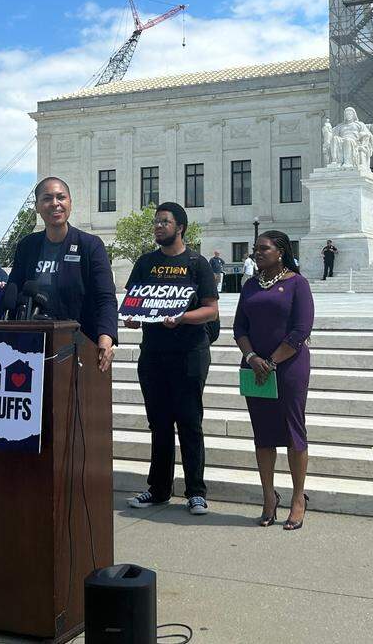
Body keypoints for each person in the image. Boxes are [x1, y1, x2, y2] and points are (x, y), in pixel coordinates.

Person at [125, 202, 219, 515]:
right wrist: (133, 317)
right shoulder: (145, 263)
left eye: (164, 222)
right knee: (159, 424)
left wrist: (182, 316)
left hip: (190, 354)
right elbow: (133, 304)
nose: (157, 227)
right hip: (153, 354)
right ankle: (159, 489)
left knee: (190, 423)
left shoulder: (197, 263)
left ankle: (196, 491)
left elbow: (211, 309)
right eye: (155, 222)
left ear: (180, 227)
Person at [234, 230, 314, 531]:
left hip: (289, 367)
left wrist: (271, 361)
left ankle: (297, 499)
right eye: (256, 248)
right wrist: (253, 358)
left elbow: (301, 329)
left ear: (280, 252)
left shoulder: (297, 283)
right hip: (255, 368)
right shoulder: (251, 285)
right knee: (263, 434)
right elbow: (239, 327)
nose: (257, 252)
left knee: (293, 431)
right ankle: (269, 497)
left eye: (263, 248)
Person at [1, 177, 116, 371]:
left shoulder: (90, 245)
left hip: (77, 346)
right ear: (37, 206)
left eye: (61, 197)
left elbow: (105, 298)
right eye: (47, 198)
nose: (55, 203)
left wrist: (106, 338)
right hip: (31, 346)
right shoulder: (27, 246)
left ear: (70, 202)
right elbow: (12, 292)